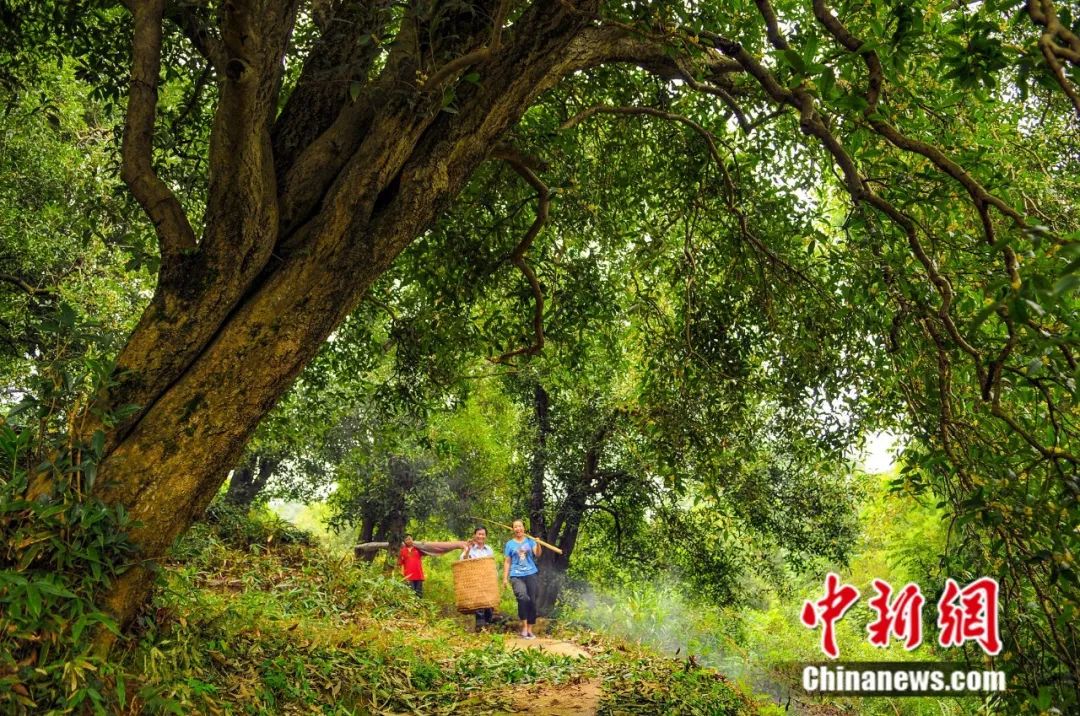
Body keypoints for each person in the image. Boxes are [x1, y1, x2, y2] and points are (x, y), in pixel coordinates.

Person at [502, 519, 541, 639]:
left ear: (524, 528)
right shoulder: (510, 544)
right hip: (516, 575)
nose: (518, 528)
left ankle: (530, 629)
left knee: (532, 601)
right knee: (523, 597)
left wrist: (538, 544)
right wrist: (505, 578)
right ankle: (524, 626)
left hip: (531, 573)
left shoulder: (530, 541)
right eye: (515, 527)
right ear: (513, 529)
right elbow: (507, 561)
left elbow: (538, 554)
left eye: (520, 526)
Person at [460, 526, 495, 631]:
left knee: (488, 604)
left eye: (483, 534)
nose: (481, 536)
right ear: (475, 535)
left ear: (486, 536)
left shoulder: (489, 549)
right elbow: (463, 560)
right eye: (479, 534)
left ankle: (488, 627)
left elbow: (492, 564)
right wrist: (467, 550)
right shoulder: (470, 548)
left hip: (487, 580)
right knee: (479, 605)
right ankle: (480, 628)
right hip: (475, 581)